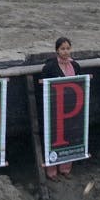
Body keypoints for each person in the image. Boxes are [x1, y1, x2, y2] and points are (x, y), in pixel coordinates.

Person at [40, 37, 82, 181]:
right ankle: (51, 171)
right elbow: (44, 88)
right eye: (62, 49)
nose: (65, 51)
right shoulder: (49, 67)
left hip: (71, 108)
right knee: (53, 138)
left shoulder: (75, 66)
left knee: (69, 137)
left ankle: (65, 168)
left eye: (67, 48)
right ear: (57, 50)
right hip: (55, 109)